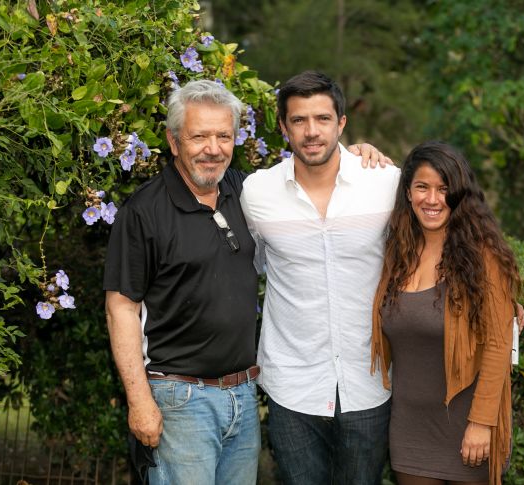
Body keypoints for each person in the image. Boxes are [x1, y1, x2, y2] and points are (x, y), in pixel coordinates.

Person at [103, 79, 388, 484]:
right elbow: (121, 308)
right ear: (172, 140)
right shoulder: (144, 212)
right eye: (199, 136)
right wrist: (139, 401)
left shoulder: (246, 191)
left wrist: (360, 156)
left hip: (242, 394)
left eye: (224, 136)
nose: (213, 148)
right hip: (180, 399)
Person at [240, 70, 402, 484]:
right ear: (283, 128)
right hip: (292, 384)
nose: (312, 132)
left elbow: (439, 247)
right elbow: (247, 265)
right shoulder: (257, 193)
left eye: (322, 119)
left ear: (342, 123)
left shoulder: (385, 182)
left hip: (370, 382)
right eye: (299, 120)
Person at [370, 141, 522, 485]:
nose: (433, 199)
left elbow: (499, 346)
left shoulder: (484, 258)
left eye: (444, 189)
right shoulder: (396, 255)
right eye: (422, 187)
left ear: (459, 195)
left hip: (468, 426)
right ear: (407, 193)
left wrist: (482, 423)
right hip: (409, 426)